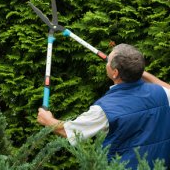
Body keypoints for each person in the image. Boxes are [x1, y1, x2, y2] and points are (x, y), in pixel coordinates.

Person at [37, 43, 170, 169]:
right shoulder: (162, 93)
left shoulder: (105, 109)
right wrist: (137, 71)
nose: (106, 63)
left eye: (108, 61)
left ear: (115, 73)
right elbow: (164, 86)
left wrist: (48, 121)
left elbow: (69, 131)